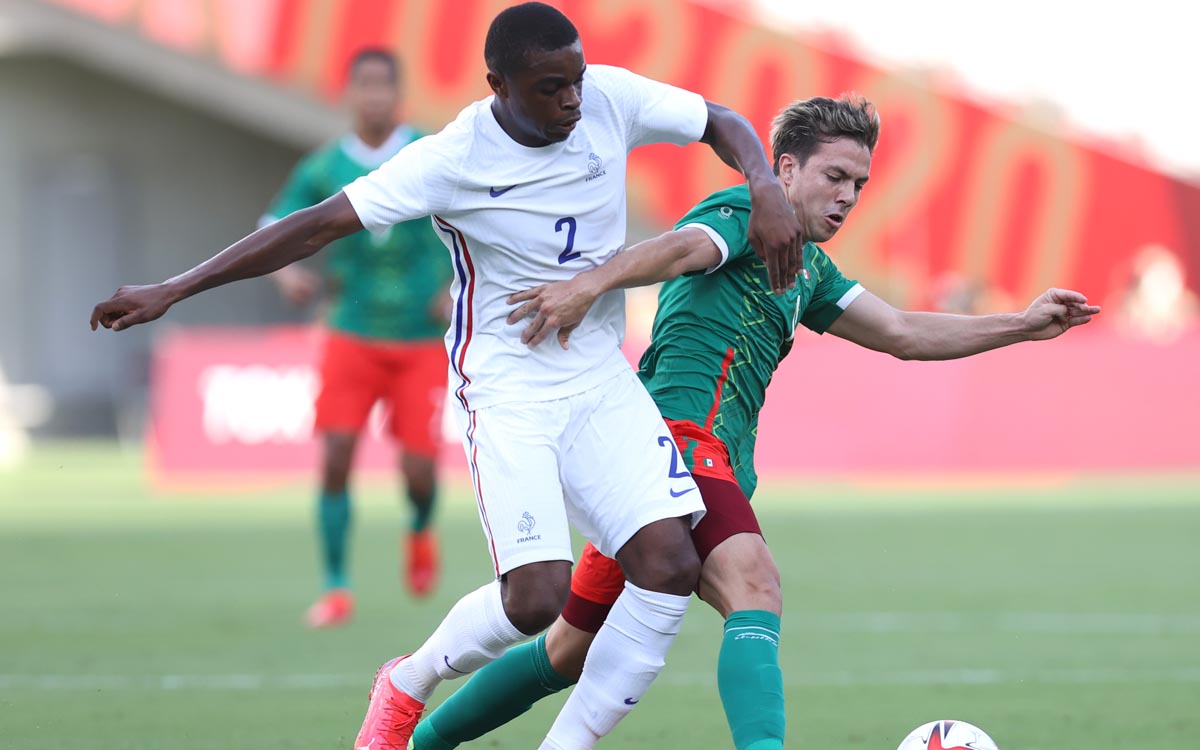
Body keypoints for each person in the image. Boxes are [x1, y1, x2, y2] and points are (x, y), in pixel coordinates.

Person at [89, 4, 805, 749]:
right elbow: (315, 225)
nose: (572, 100)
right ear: (499, 85)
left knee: (668, 564)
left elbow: (719, 118)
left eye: (577, 80)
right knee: (536, 601)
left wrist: (764, 182)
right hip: (508, 387)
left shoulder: (609, 99)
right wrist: (174, 287)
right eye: (551, 87)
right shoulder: (452, 158)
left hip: (598, 377)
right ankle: (408, 680)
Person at [409, 94, 1101, 750]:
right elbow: (681, 249)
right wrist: (590, 284)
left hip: (678, 462)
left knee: (568, 648)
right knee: (754, 584)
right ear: (787, 170)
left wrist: (1022, 325)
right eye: (835, 176)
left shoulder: (811, 268)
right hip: (676, 441)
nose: (848, 197)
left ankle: (422, 739)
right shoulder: (743, 211)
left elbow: (901, 331)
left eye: (859, 184)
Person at [261, 48, 454, 626]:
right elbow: (275, 224)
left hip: (420, 336)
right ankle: (336, 585)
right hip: (351, 330)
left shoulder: (432, 151)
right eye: (363, 85)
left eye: (383, 85)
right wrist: (286, 273)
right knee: (336, 454)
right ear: (349, 94)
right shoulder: (324, 167)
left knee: (419, 470)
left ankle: (419, 526)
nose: (373, 96)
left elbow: (481, 219)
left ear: (399, 94)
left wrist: (457, 287)